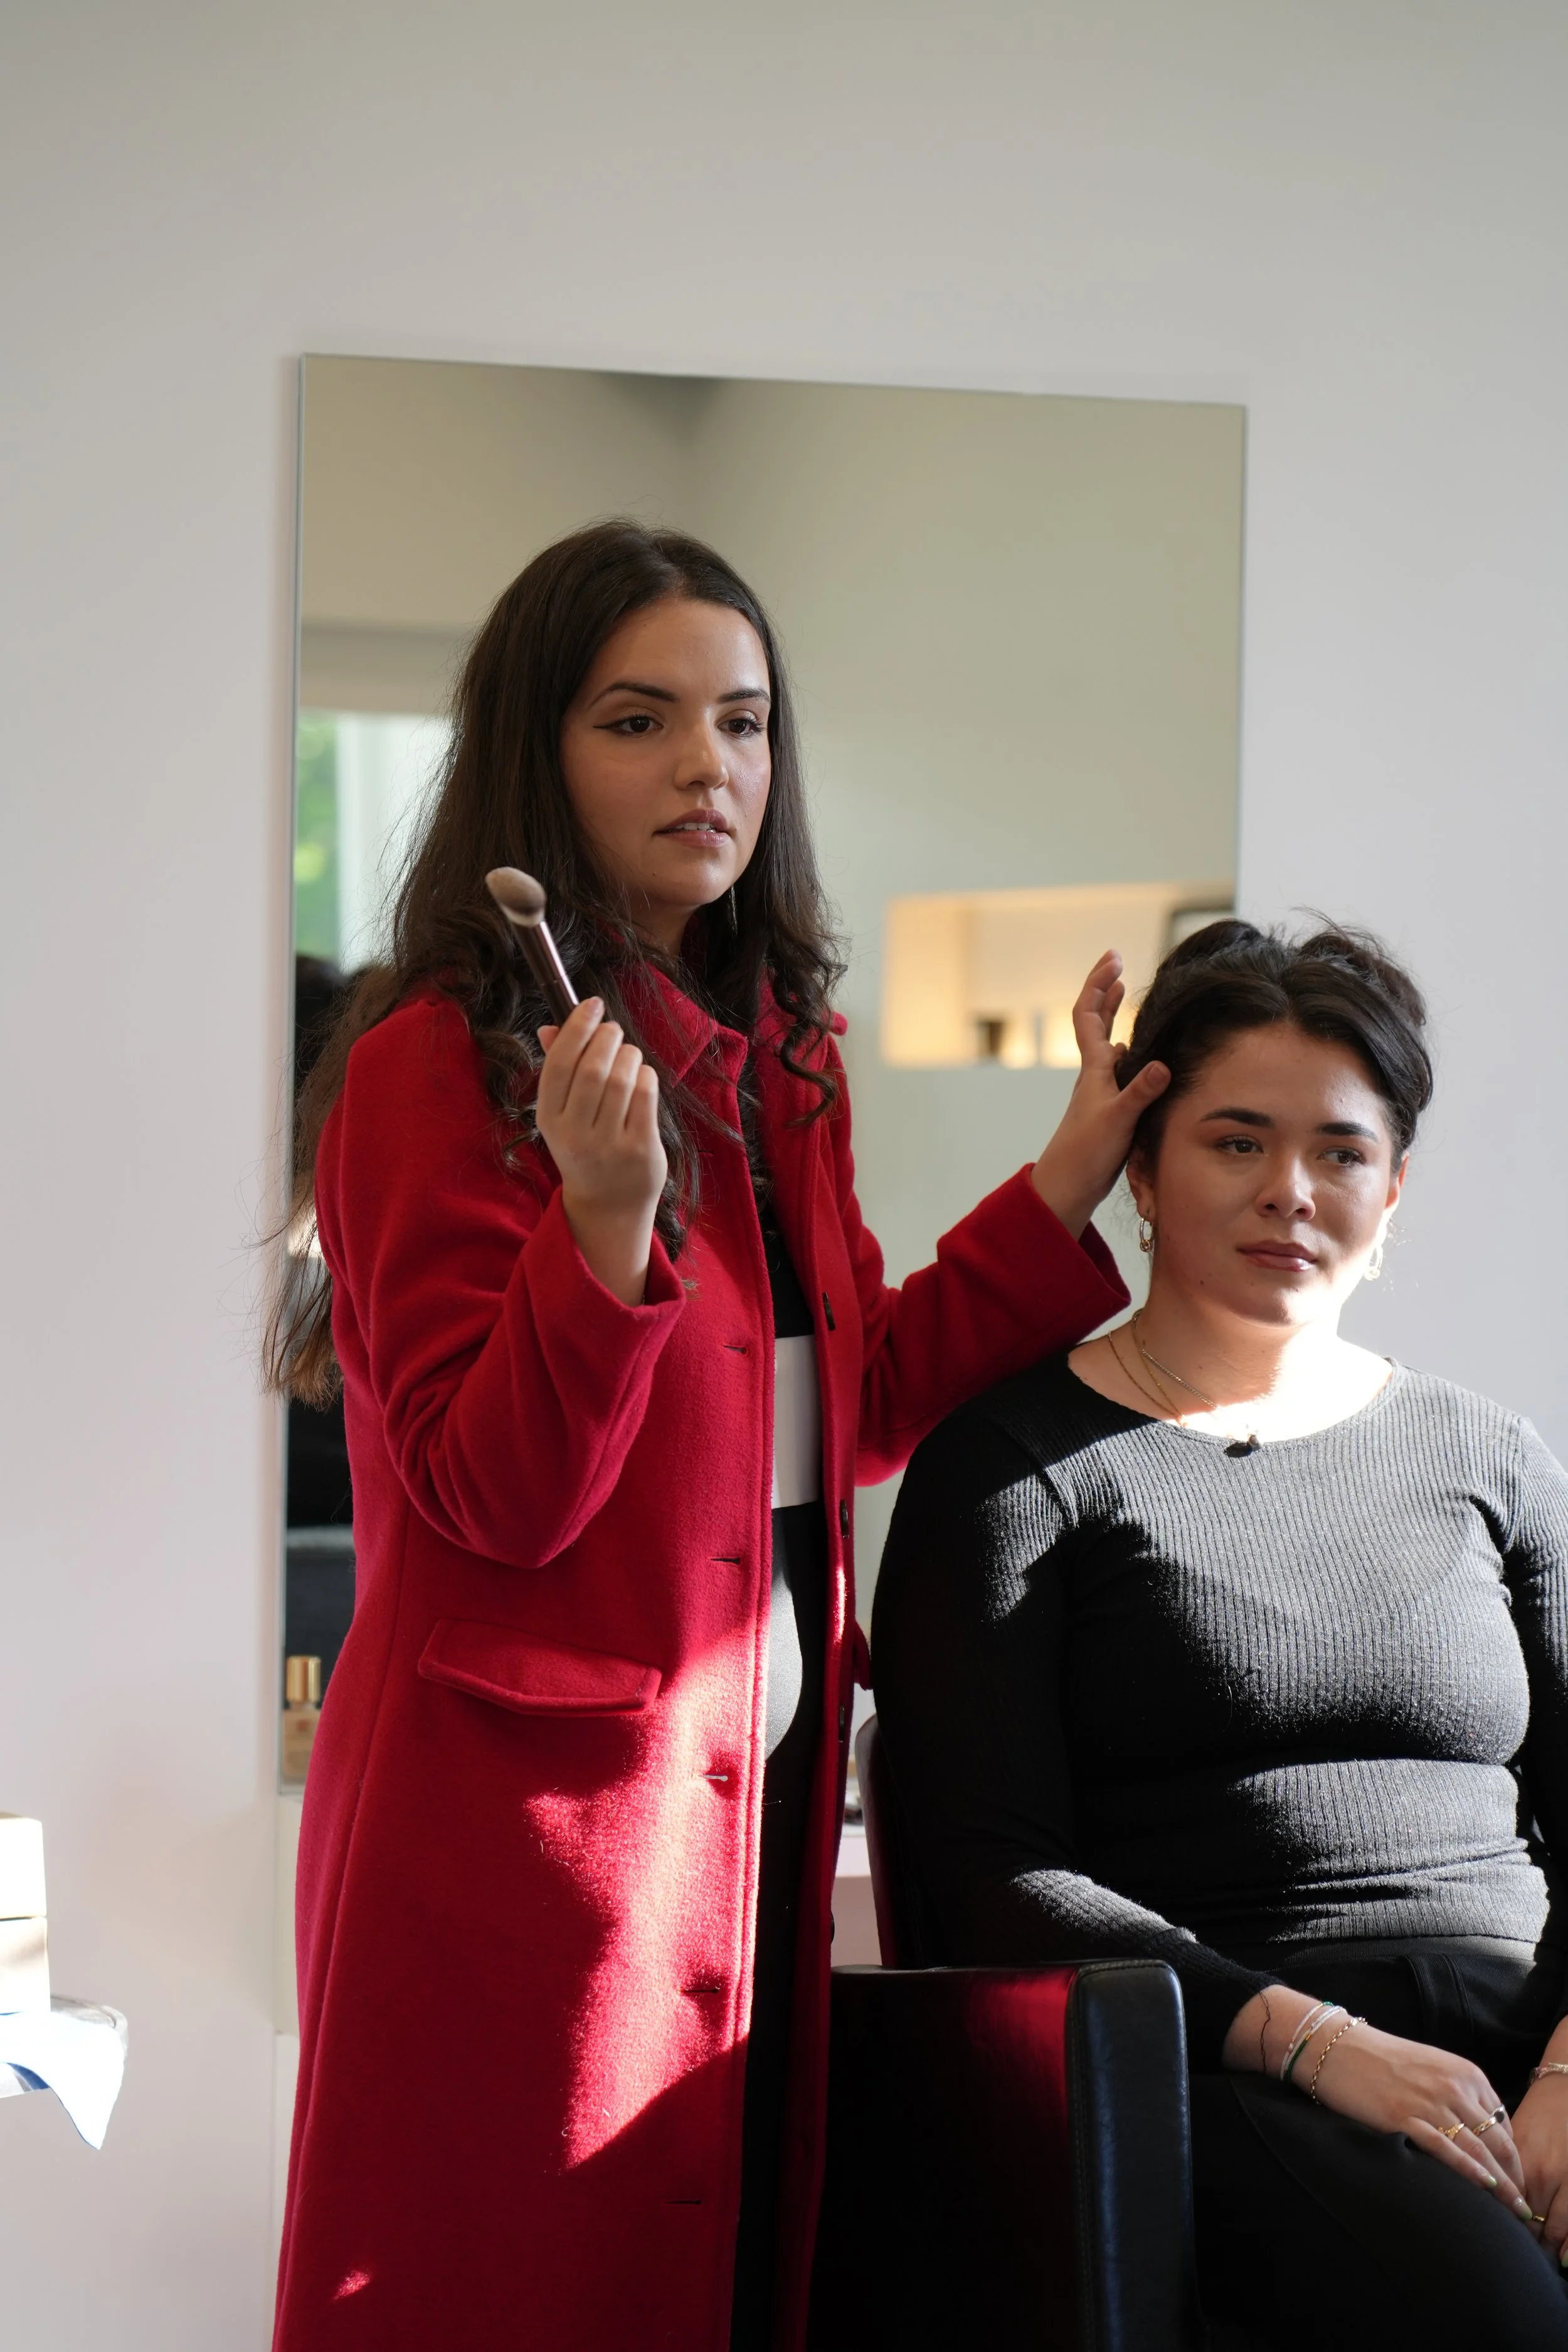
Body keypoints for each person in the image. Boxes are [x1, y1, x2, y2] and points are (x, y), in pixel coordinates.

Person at [264, 520, 1167, 2352]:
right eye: (641, 718)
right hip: (527, 1840)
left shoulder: (778, 1060)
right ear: (541, 751)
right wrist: (599, 1231)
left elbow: (858, 1401)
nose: (709, 766)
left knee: (729, 2271)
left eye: (745, 723)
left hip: (745, 1799)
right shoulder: (431, 1062)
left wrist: (1074, 1166)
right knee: (505, 2290)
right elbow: (486, 1492)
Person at [872, 919, 1568, 2351]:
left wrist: (1566, 2078)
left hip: (1530, 2030)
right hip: (1228, 2053)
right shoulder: (1013, 1467)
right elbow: (987, 1871)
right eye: (1234, 1142)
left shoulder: (1488, 1456)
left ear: (1393, 1191)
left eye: (1338, 1152)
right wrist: (1318, 2044)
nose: (1289, 1193)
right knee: (1486, 2316)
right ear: (1139, 1168)